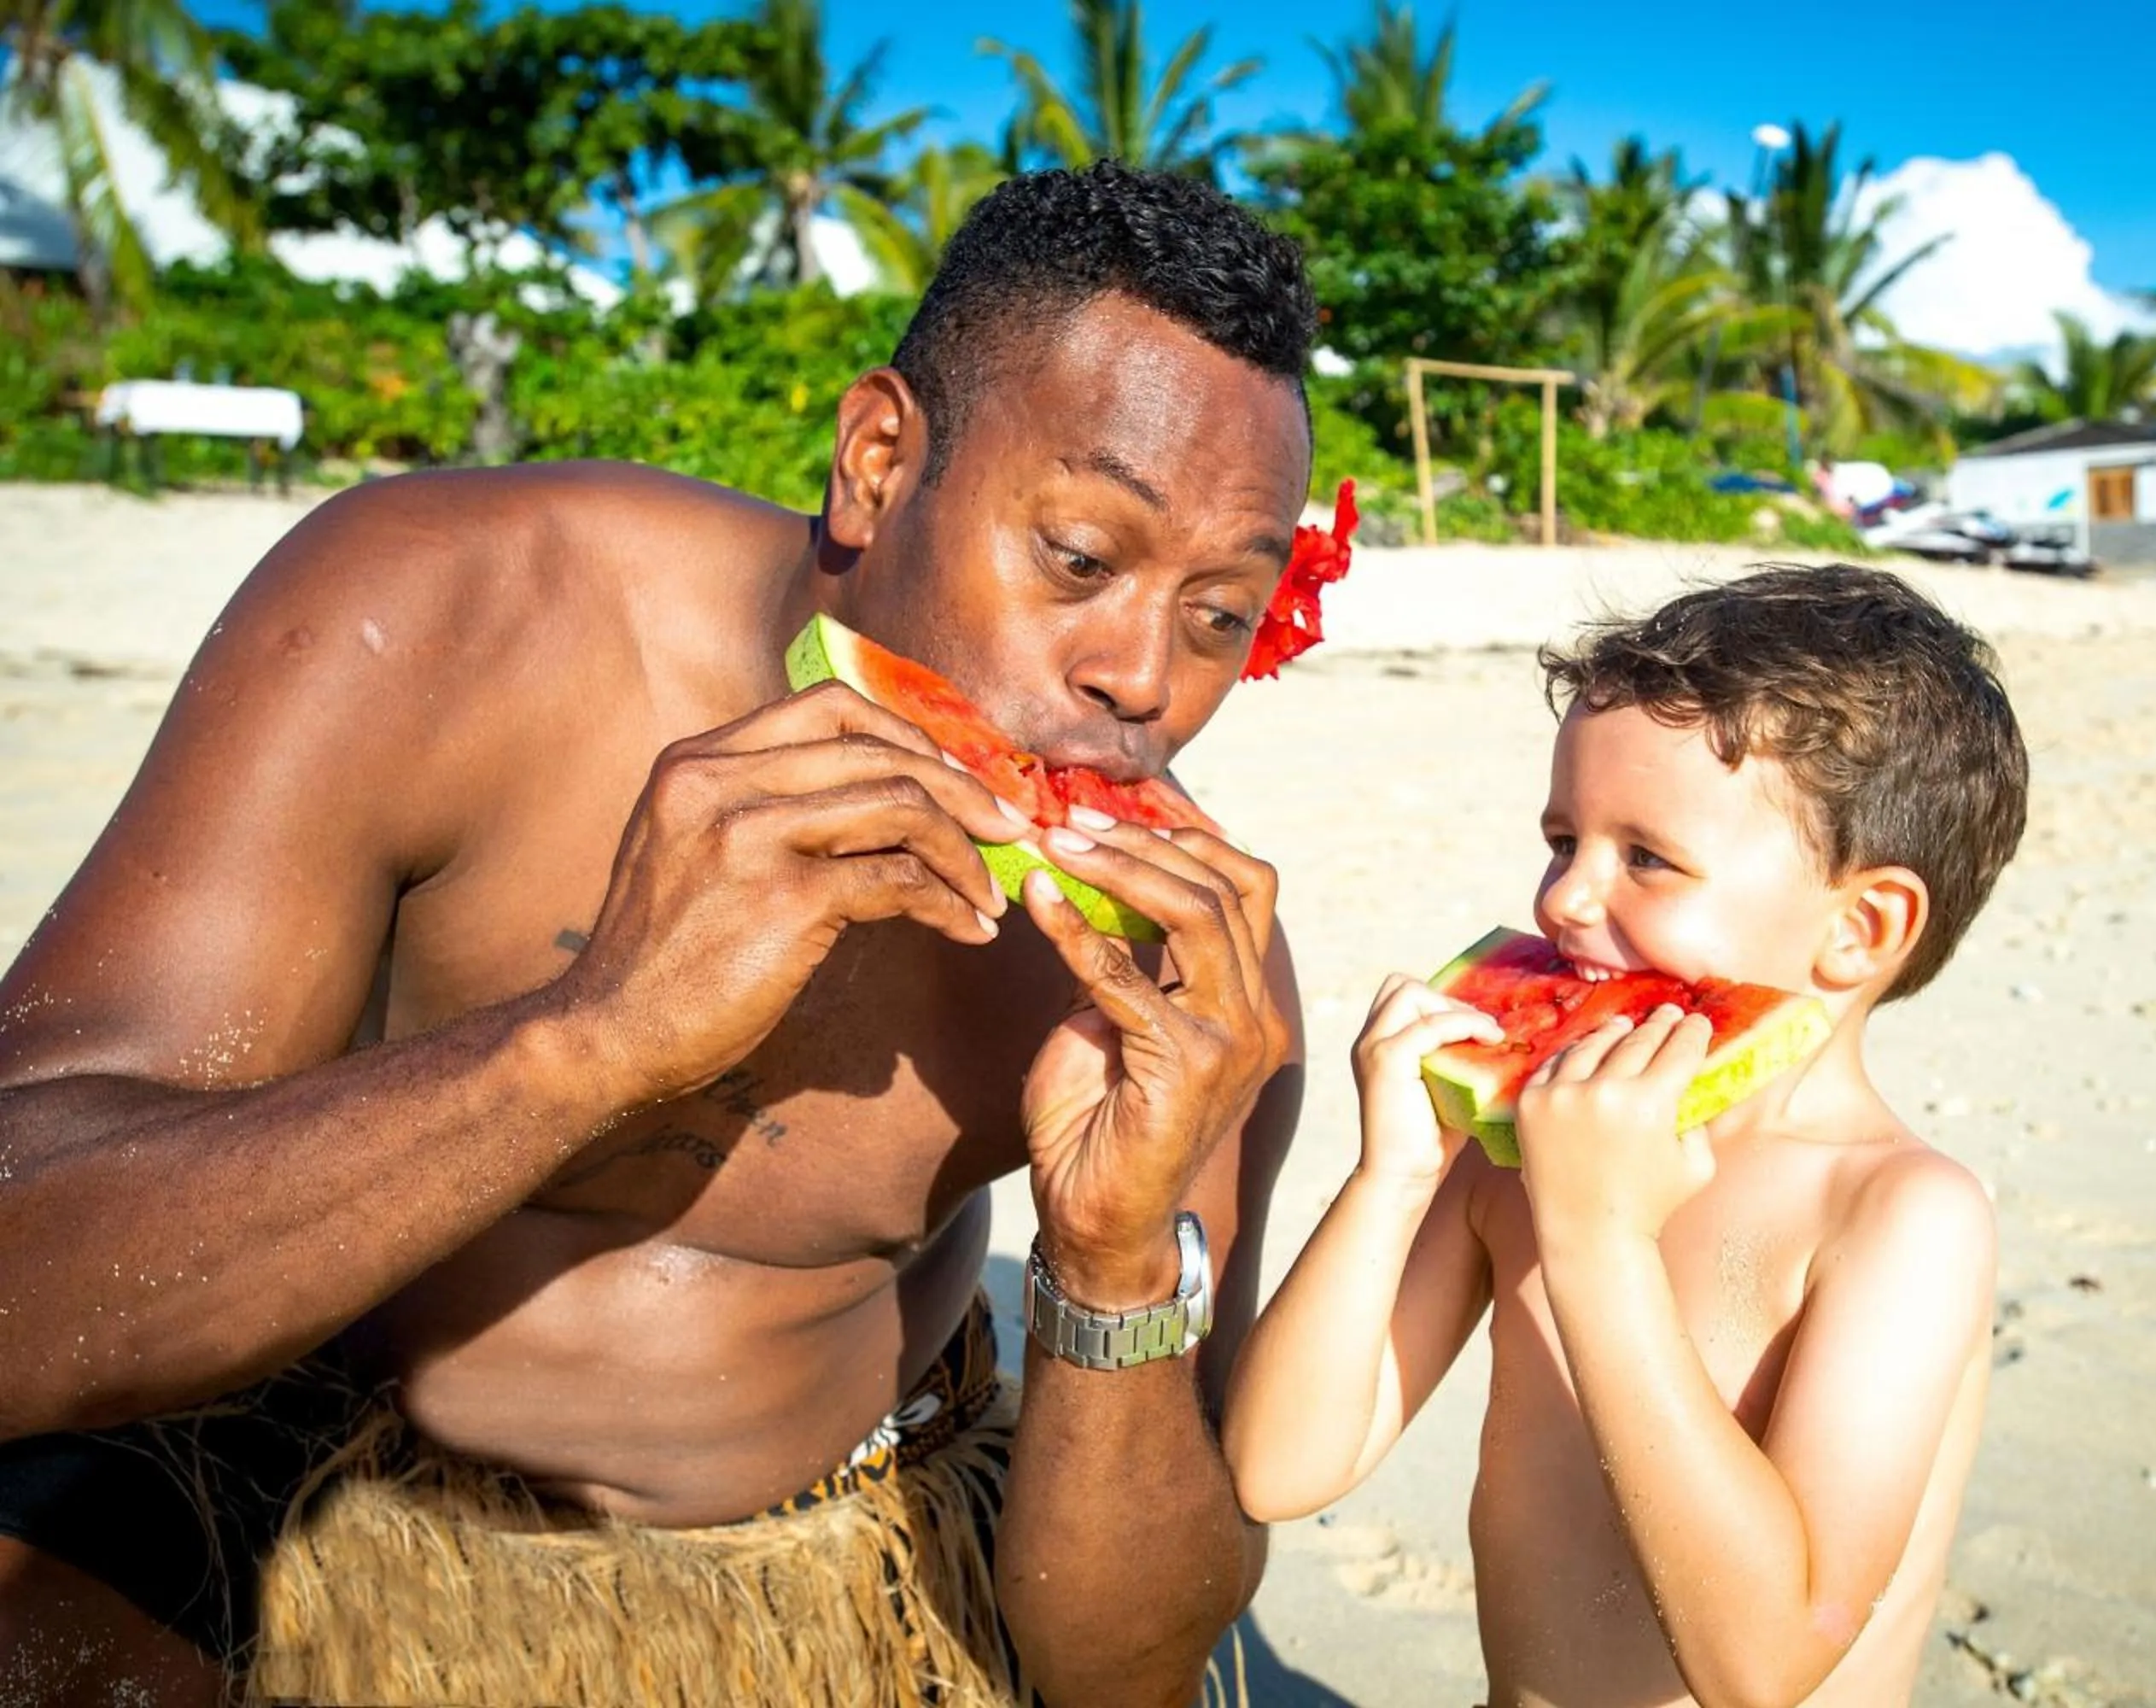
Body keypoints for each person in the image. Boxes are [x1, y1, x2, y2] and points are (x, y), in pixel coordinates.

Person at [0, 161, 1318, 1708]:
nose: (1140, 680)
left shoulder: (1189, 985)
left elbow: (1125, 1671)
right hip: (300, 1489)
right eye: (1081, 560)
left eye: (1219, 616)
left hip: (843, 1556)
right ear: (879, 462)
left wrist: (1108, 1266)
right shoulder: (443, 613)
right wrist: (591, 1041)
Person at [1224, 564, 2029, 1707]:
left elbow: (1763, 1665)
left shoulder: (1899, 1218)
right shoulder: (1514, 1151)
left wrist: (1600, 1244)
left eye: (1646, 857)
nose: (1563, 899)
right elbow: (1277, 1467)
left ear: (1862, 927)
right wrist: (1393, 1176)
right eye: (1564, 840)